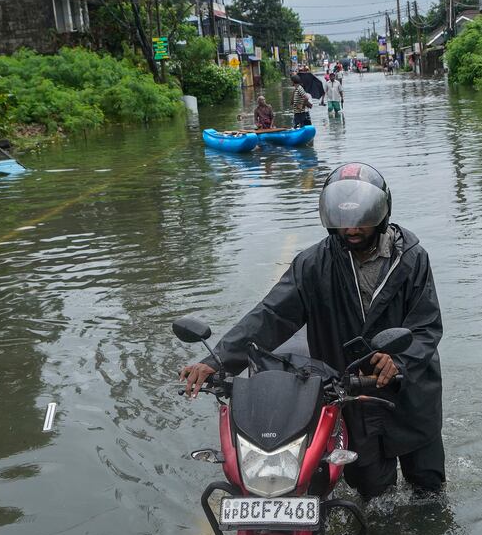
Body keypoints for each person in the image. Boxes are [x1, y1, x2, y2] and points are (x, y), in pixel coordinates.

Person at [180, 163, 445, 500]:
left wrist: (398, 360)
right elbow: (270, 315)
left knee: (430, 493)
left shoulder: (412, 260)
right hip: (351, 395)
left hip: (411, 396)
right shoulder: (313, 265)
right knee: (374, 498)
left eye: (362, 218)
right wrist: (218, 360)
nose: (351, 228)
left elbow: (426, 326)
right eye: (343, 219)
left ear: (380, 213)